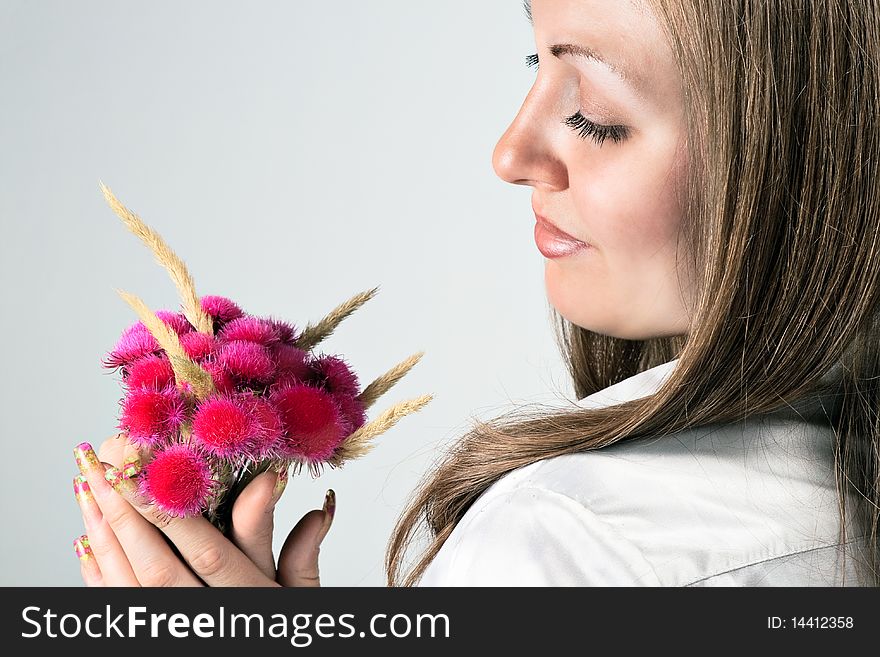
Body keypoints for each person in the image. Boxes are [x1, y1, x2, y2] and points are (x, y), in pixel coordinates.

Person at [71, 0, 880, 587]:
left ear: (810, 157)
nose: (509, 151)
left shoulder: (568, 543)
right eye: (537, 63)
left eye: (595, 113)